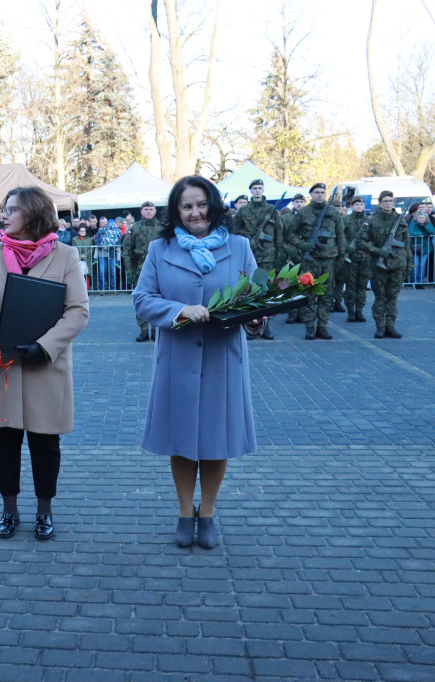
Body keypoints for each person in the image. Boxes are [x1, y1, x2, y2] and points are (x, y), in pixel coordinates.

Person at [133, 175, 263, 549]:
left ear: (214, 205)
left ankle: (207, 512)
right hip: (177, 359)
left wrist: (256, 318)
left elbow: (257, 295)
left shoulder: (240, 247)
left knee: (215, 439)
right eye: (186, 207)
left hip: (223, 359)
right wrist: (180, 310)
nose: (195, 213)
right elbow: (142, 299)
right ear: (176, 212)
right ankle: (183, 512)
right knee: (181, 439)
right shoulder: (161, 249)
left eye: (201, 204)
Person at [0, 186, 89, 541]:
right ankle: (9, 510)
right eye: (4, 209)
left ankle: (44, 511)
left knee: (44, 444)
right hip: (0, 367)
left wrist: (45, 347)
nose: (4, 215)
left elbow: (78, 311)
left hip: (44, 368)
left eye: (12, 209)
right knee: (4, 443)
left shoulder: (65, 255)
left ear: (33, 214)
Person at [284, 183, 345, 339]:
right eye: (316, 192)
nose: (319, 195)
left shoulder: (333, 212)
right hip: (309, 260)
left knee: (326, 294)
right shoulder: (303, 212)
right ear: (311, 194)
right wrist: (300, 244)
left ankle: (322, 326)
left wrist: (341, 256)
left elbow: (341, 235)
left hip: (329, 260)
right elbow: (290, 233)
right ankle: (310, 326)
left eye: (322, 192)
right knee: (308, 293)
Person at [232, 179, 282, 340]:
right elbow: (234, 230)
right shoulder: (243, 211)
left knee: (266, 290)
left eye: (260, 188)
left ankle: (266, 326)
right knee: (247, 291)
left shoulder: (271, 210)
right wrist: (247, 238)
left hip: (268, 254)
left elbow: (279, 232)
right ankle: (249, 324)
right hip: (248, 255)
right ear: (251, 190)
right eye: (254, 188)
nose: (258, 191)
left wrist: (279, 254)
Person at [357, 191, 410, 338]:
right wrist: (377, 251)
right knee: (380, 296)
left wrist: (409, 264)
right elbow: (360, 242)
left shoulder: (401, 220)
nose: (388, 203)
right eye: (385, 201)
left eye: (391, 201)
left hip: (397, 264)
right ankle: (380, 326)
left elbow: (406, 244)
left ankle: (390, 326)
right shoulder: (372, 221)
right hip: (378, 265)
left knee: (392, 297)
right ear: (380, 203)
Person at [125, 201, 162, 341]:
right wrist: (129, 271)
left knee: (158, 300)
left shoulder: (161, 227)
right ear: (141, 211)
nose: (148, 212)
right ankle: (144, 330)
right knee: (141, 300)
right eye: (145, 209)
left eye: (151, 209)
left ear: (155, 211)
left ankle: (155, 329)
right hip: (140, 268)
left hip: (159, 269)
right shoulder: (135, 228)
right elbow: (127, 251)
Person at [343, 197, 371, 322]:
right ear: (352, 206)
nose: (359, 206)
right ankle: (350, 311)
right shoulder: (346, 219)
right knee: (350, 286)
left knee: (361, 286)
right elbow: (341, 236)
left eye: (361, 204)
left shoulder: (370, 220)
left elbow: (374, 237)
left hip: (365, 257)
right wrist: (346, 247)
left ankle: (359, 310)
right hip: (350, 257)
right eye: (357, 204)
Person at [407, 210, 435, 287]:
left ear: (425, 218)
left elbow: (434, 232)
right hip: (415, 247)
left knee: (422, 265)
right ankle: (415, 281)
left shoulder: (428, 224)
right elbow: (410, 232)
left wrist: (425, 226)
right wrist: (421, 234)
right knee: (416, 265)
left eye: (423, 218)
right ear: (416, 218)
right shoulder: (413, 224)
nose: (421, 219)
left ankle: (420, 281)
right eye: (419, 218)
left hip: (425, 248)